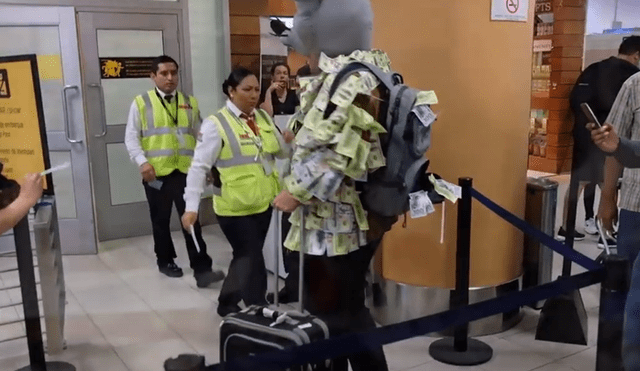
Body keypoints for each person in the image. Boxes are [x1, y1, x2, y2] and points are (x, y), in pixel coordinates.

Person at [181, 67, 291, 317]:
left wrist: (287, 141)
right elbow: (199, 168)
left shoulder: (262, 118)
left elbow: (280, 152)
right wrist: (191, 208)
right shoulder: (215, 124)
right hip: (233, 207)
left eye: (256, 89)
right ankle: (259, 309)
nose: (253, 95)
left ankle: (227, 302)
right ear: (231, 92)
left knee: (245, 257)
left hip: (262, 203)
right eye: (246, 90)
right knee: (252, 258)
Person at [124, 55, 223, 288]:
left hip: (186, 171)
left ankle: (202, 268)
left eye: (174, 73)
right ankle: (165, 261)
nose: (170, 78)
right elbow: (131, 137)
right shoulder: (141, 103)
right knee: (160, 220)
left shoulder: (189, 101)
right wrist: (142, 162)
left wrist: (206, 165)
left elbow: (200, 135)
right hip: (156, 173)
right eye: (164, 73)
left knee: (191, 219)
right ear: (153, 76)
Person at [556, 36, 640, 245]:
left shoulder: (593, 68)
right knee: (605, 183)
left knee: (578, 183)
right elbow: (621, 123)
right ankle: (606, 232)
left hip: (585, 133)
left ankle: (566, 227)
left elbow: (576, 99)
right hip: (610, 139)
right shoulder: (632, 78)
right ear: (636, 56)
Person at [589, 68, 640, 371]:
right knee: (629, 298)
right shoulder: (635, 84)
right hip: (635, 205)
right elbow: (615, 145)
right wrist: (608, 197)